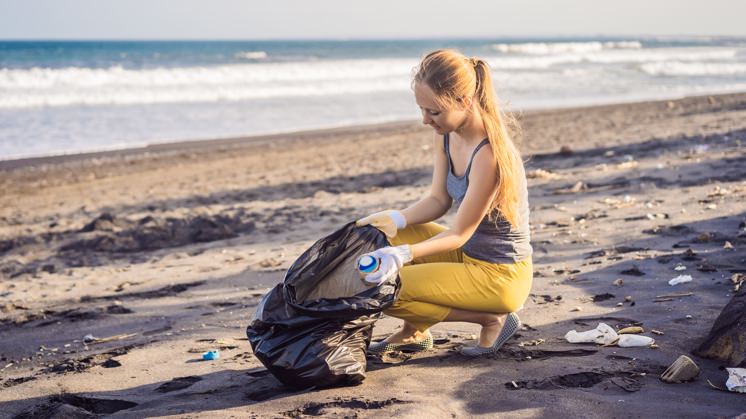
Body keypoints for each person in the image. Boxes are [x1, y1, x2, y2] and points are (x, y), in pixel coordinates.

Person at [355, 49, 533, 356]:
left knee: (385, 288)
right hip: (467, 257)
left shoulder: (488, 156)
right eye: (422, 110)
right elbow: (438, 200)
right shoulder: (448, 134)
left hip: (500, 276)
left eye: (433, 111)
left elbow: (459, 234)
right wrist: (397, 219)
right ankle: (414, 332)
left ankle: (491, 320)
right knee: (383, 238)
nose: (425, 120)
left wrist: (404, 255)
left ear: (463, 101)